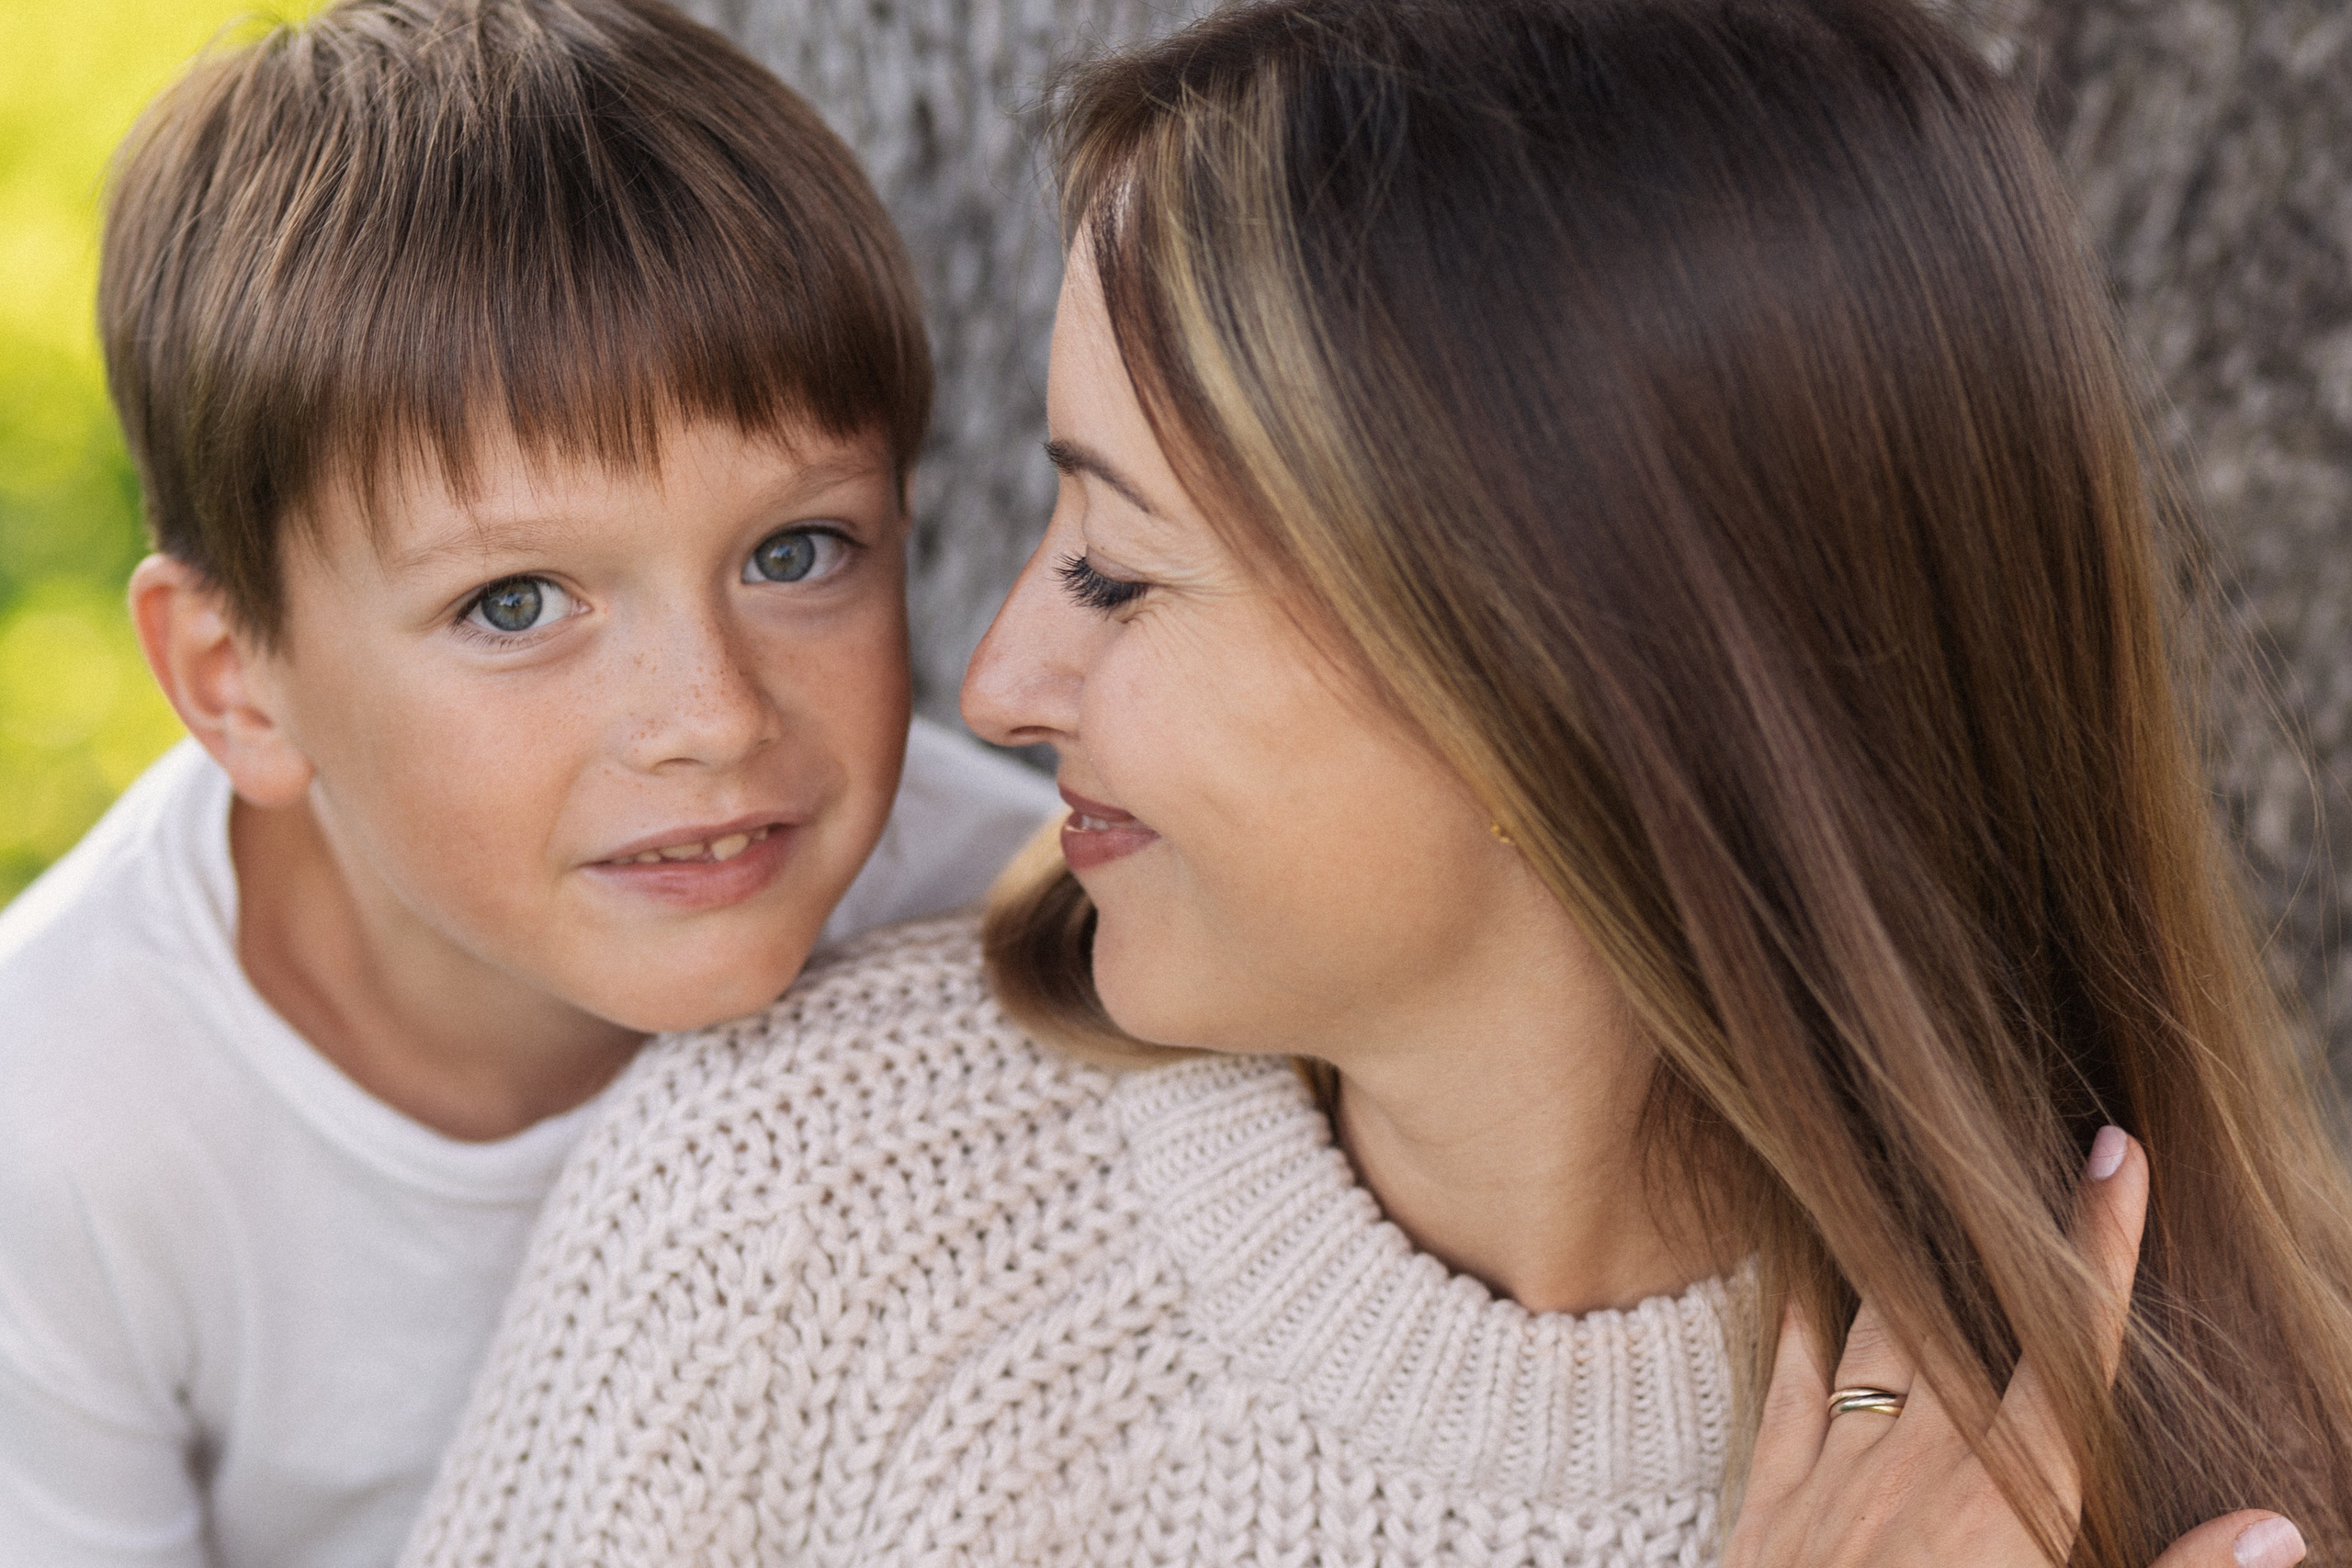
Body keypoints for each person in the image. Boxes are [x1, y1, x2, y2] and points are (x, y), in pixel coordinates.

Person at [401, 0, 2352, 1563]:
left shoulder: (2223, 1457)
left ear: (1562, 681)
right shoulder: (797, 1225)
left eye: (1115, 565)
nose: (998, 681)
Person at [0, 0, 1057, 1562]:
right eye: (514, 605)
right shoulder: (66, 1122)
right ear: (236, 683)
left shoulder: (1022, 925)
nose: (709, 717)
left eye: (794, 551)